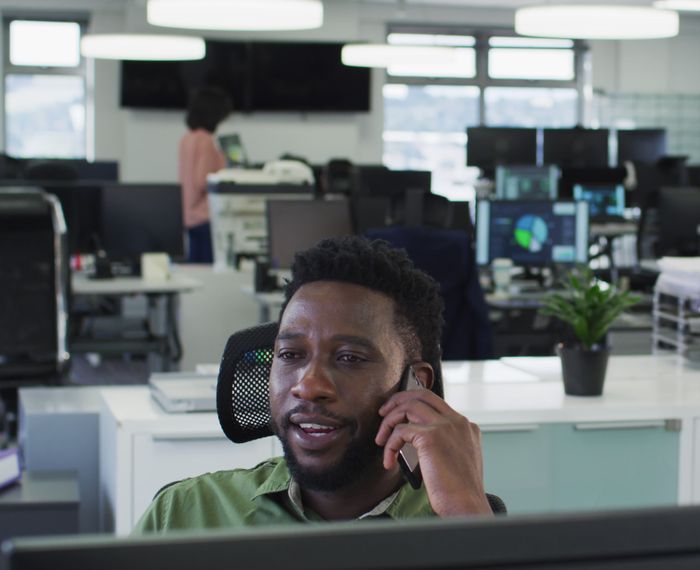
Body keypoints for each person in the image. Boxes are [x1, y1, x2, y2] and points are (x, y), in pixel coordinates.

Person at [135, 237, 492, 532]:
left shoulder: (456, 520)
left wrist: (469, 516)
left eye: (350, 358)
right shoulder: (186, 515)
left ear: (415, 386)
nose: (308, 387)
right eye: (291, 355)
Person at [180, 87, 231, 264]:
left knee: (195, 267)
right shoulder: (206, 140)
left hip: (188, 215)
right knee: (208, 270)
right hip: (205, 217)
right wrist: (224, 168)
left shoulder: (187, 138)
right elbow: (203, 180)